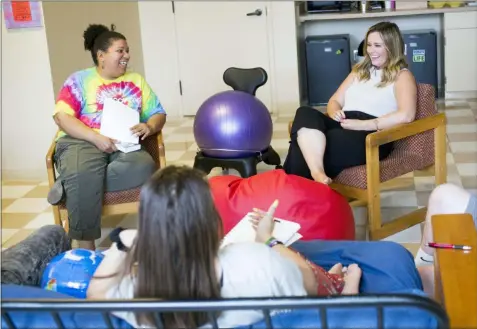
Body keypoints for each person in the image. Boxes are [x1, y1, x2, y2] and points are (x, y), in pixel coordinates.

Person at [47, 23, 167, 251]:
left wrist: (149, 127)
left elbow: (158, 113)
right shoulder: (79, 80)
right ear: (101, 56)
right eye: (120, 51)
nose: (127, 56)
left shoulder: (136, 80)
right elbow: (62, 117)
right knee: (83, 169)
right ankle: (86, 248)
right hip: (82, 141)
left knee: (143, 166)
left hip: (125, 145)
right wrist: (95, 137)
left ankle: (70, 183)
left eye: (127, 50)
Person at [283, 21, 417, 184]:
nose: (371, 51)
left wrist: (363, 124)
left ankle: (292, 188)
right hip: (345, 122)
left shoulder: (402, 76)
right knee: (304, 113)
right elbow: (335, 100)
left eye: (377, 45)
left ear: (391, 47)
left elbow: (407, 115)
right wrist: (334, 112)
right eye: (369, 45)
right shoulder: (359, 71)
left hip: (373, 134)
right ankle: (316, 173)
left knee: (307, 140)